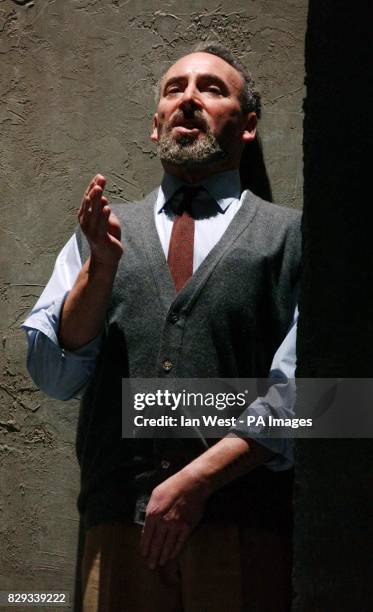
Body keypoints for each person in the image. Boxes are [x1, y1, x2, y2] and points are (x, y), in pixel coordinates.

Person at [23, 44, 301, 612]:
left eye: (212, 89)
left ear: (247, 126)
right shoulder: (99, 232)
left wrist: (197, 480)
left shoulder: (293, 237)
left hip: (243, 535)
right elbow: (54, 373)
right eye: (176, 89)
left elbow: (320, 396)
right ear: (155, 125)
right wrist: (100, 269)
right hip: (115, 535)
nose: (190, 99)